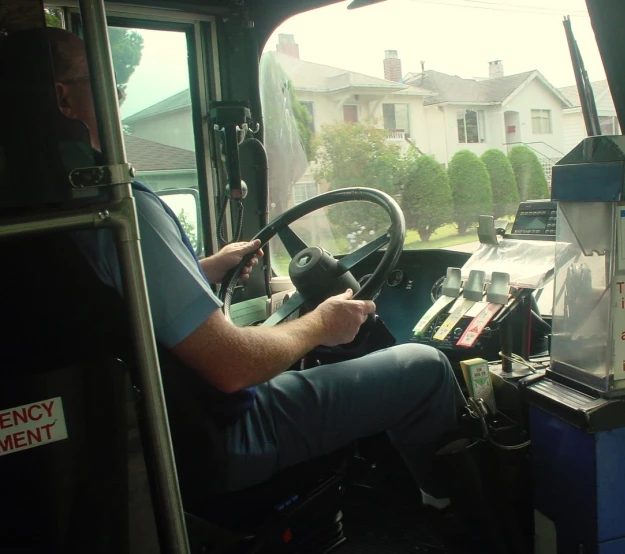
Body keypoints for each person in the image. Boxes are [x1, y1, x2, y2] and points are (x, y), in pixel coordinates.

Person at [2, 27, 473, 514]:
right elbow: (233, 368)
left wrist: (203, 267)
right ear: (63, 98)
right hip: (221, 435)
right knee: (425, 366)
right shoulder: (118, 211)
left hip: (147, 433)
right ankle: (446, 513)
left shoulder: (45, 215)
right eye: (106, 86)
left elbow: (117, 301)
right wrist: (320, 324)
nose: (118, 99)